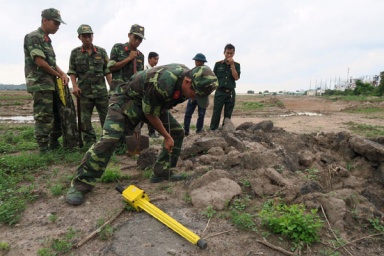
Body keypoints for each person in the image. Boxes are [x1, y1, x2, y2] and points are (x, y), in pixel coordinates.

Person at [65, 64, 218, 205]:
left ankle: (162, 171)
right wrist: (166, 136)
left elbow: (157, 106)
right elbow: (149, 113)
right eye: (194, 93)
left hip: (151, 103)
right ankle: (80, 184)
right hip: (126, 100)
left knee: (177, 132)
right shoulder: (164, 82)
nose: (194, 98)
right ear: (187, 82)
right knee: (110, 139)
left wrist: (169, 134)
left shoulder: (189, 81)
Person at [24, 8, 69, 154]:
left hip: (50, 85)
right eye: (55, 23)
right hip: (40, 84)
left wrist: (62, 73)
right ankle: (43, 149)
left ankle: (53, 143)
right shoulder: (34, 37)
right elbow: (40, 62)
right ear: (44, 20)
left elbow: (51, 61)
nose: (57, 26)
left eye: (58, 24)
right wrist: (57, 74)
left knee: (57, 115)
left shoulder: (47, 40)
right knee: (44, 116)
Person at [68, 24, 112, 147]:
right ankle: (89, 143)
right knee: (84, 120)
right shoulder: (75, 53)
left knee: (106, 118)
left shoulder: (101, 52)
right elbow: (72, 71)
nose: (87, 39)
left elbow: (107, 71)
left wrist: (112, 88)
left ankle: (107, 142)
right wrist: (74, 86)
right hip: (84, 93)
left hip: (101, 92)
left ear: (93, 36)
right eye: (84, 36)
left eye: (89, 36)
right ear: (79, 37)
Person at [108, 24, 145, 154]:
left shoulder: (141, 56)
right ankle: (115, 147)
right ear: (129, 35)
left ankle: (127, 147)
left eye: (140, 39)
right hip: (118, 91)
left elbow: (140, 76)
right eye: (136, 37)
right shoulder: (118, 48)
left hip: (132, 93)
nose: (138, 41)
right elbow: (111, 68)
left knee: (130, 120)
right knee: (116, 119)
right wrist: (128, 58)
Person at [210, 44, 241, 130]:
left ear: (234, 53)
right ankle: (213, 130)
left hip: (230, 92)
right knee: (216, 112)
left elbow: (236, 77)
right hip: (220, 91)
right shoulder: (218, 64)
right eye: (228, 53)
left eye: (231, 53)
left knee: (228, 114)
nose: (229, 55)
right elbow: (213, 78)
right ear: (224, 53)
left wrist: (232, 66)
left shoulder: (237, 65)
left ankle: (226, 131)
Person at [183, 53, 208, 136]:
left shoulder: (206, 71)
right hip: (192, 96)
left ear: (202, 62)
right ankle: (186, 130)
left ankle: (199, 130)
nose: (196, 62)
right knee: (188, 114)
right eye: (196, 60)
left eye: (197, 61)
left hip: (202, 97)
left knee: (201, 114)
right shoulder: (192, 71)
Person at [144, 52, 160, 138]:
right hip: (144, 95)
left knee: (152, 114)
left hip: (151, 95)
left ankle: (152, 132)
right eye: (155, 59)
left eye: (157, 59)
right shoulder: (145, 68)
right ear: (149, 59)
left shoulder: (155, 70)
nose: (156, 61)